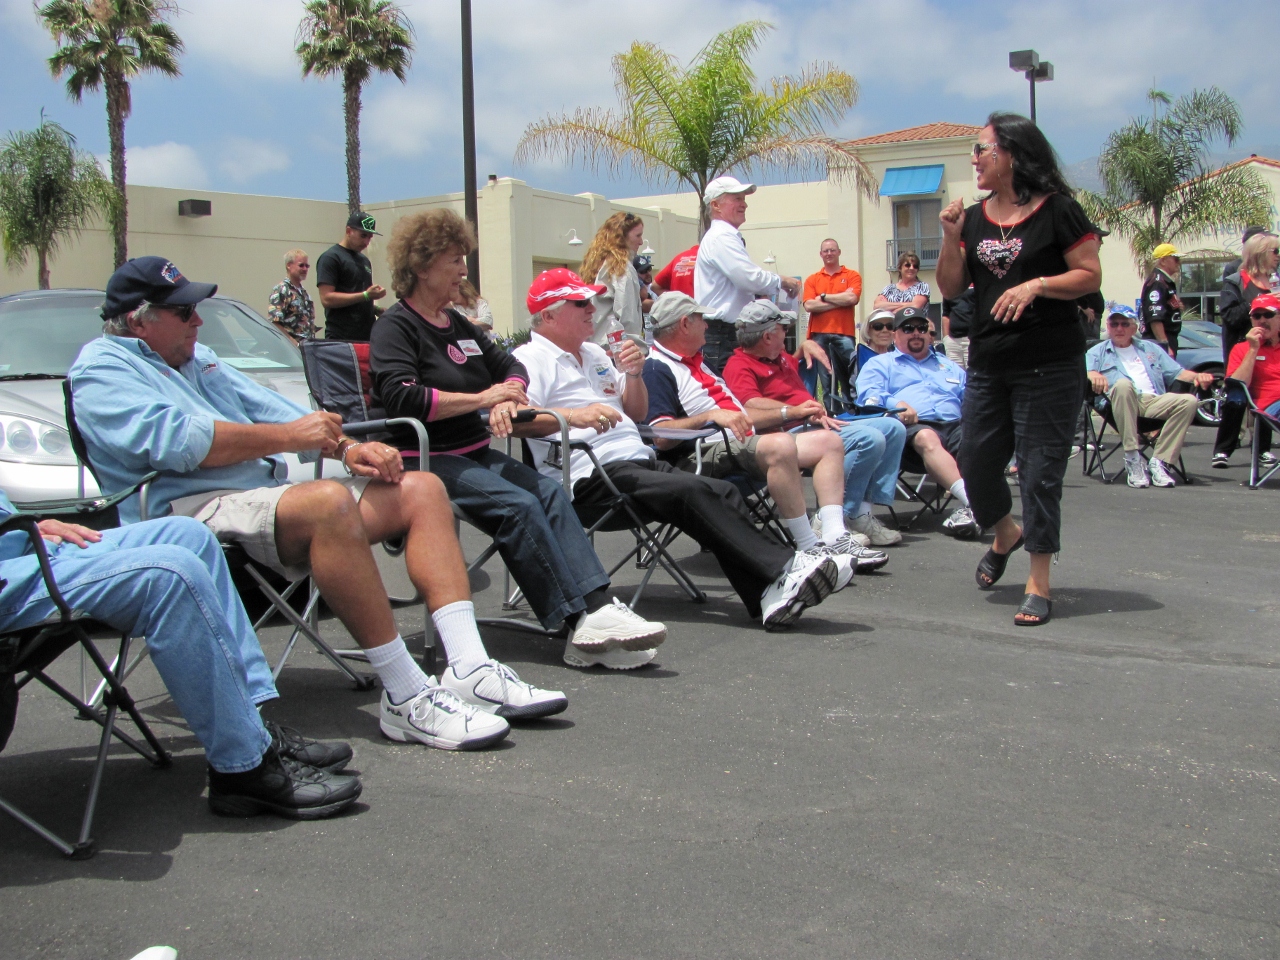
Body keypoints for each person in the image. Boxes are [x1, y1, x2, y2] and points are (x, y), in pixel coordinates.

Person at [70, 256, 563, 752]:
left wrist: (350, 448)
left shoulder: (198, 362)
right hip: (184, 512)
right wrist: (287, 436)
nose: (198, 320)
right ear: (139, 319)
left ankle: (469, 667)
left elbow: (279, 411)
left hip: (257, 499)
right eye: (184, 312)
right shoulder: (103, 368)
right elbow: (178, 443)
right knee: (328, 502)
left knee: (422, 489)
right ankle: (405, 695)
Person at [367, 211, 668, 671]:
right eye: (454, 261)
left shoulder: (457, 324)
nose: (464, 271)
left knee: (547, 491)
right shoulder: (396, 326)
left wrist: (509, 395)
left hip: (474, 451)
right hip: (426, 458)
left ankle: (598, 610)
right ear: (423, 266)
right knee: (517, 506)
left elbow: (511, 367)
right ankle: (577, 623)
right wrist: (481, 397)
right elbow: (400, 397)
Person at [0, 496, 362, 819]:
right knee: (171, 572)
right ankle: (243, 768)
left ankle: (252, 729)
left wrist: (20, 524)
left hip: (18, 545)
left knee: (189, 535)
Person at [514, 277, 841, 630]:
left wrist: (635, 374)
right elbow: (517, 420)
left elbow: (636, 414)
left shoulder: (595, 353)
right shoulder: (529, 359)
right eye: (581, 304)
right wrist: (574, 417)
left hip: (635, 459)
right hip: (587, 474)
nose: (592, 309)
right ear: (548, 315)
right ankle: (785, 569)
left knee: (724, 491)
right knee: (691, 490)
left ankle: (769, 595)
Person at [936, 111, 1102, 627]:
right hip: (990, 364)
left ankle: (1039, 579)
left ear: (1011, 154)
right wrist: (949, 236)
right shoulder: (977, 218)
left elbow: (1089, 274)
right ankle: (1005, 532)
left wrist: (1038, 285)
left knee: (1038, 473)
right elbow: (948, 288)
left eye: (982, 151)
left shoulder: (1059, 211)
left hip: (1049, 365)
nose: (975, 160)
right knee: (975, 463)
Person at [640, 291, 871, 578]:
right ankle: (808, 547)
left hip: (736, 443)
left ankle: (835, 535)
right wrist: (709, 417)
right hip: (699, 456)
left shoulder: (699, 361)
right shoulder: (655, 368)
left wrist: (791, 412)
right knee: (780, 445)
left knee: (829, 441)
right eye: (702, 319)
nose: (707, 326)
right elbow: (660, 435)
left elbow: (742, 414)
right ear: (685, 324)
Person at [724, 300, 906, 548]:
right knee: (869, 440)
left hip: (816, 421)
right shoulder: (739, 365)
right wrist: (795, 411)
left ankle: (861, 512)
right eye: (783, 328)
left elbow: (792, 364)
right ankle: (839, 517)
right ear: (767, 336)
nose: (786, 332)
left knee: (893, 428)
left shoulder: (779, 357)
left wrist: (804, 347)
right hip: (790, 432)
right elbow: (748, 409)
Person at [855, 307, 981, 540]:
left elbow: (973, 396)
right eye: (908, 328)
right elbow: (867, 395)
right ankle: (977, 505)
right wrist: (897, 402)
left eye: (922, 328)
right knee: (927, 437)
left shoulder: (948, 365)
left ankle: (970, 511)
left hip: (956, 425)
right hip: (910, 432)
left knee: (983, 438)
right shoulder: (881, 364)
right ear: (896, 334)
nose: (916, 333)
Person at [1085, 303, 1212, 488]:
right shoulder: (1097, 351)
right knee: (1122, 384)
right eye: (1114, 324)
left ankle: (1160, 462)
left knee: (1189, 401)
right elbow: (1083, 372)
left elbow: (1177, 373)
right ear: (1108, 327)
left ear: (1134, 327)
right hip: (1119, 403)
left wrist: (1198, 376)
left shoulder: (1150, 349)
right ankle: (1133, 458)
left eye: (1125, 324)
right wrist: (1092, 373)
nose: (1119, 328)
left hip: (1153, 401)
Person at [693, 177, 802, 373]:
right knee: (729, 396)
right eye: (736, 198)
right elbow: (748, 279)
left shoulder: (722, 236)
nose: (744, 204)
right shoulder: (722, 237)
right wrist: (781, 281)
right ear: (715, 205)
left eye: (743, 198)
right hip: (722, 335)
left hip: (724, 334)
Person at [1213, 232, 1278, 466]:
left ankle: (1262, 449)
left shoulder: (1276, 281)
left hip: (1272, 349)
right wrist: (1259, 302)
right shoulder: (1236, 281)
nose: (1278, 257)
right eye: (1275, 251)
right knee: (1237, 398)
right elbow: (1229, 316)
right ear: (1260, 253)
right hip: (1243, 348)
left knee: (1268, 393)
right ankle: (1223, 449)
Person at [800, 239, 863, 411]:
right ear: (821, 254)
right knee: (826, 379)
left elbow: (852, 298)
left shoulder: (852, 275)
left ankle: (853, 409)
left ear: (839, 252)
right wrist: (840, 300)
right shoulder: (813, 279)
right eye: (826, 251)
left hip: (844, 333)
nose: (829, 253)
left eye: (832, 250)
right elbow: (809, 305)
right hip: (819, 334)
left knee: (849, 375)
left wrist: (824, 297)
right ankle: (832, 412)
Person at [316, 211, 387, 342]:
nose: (366, 241)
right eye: (363, 235)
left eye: (370, 237)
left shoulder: (364, 261)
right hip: (341, 339)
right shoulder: (331, 258)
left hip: (366, 337)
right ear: (349, 231)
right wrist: (366, 295)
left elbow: (356, 297)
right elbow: (326, 299)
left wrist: (375, 309)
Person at [579, 211, 647, 346]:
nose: (641, 241)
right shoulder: (622, 268)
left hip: (592, 347)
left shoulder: (597, 264)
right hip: (615, 352)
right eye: (638, 236)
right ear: (622, 238)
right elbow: (627, 317)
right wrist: (636, 350)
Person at [1224, 294, 1280, 443]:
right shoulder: (1242, 349)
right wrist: (1253, 349)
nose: (1262, 320)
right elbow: (1238, 384)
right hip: (1269, 408)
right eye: (1256, 316)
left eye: (1268, 315)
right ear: (1251, 321)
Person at [1140, 243, 1184, 357]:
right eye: (1175, 259)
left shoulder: (1165, 282)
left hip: (1169, 338)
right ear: (1163, 261)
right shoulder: (1158, 283)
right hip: (1159, 341)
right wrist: (1164, 345)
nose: (1178, 263)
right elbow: (1155, 317)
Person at [267, 249, 317, 343]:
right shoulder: (281, 290)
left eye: (307, 266)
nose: (305, 269)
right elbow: (275, 323)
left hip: (307, 347)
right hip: (290, 350)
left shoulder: (303, 293)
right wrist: (294, 344)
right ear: (289, 265)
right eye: (301, 265)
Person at [942, 285, 976, 368]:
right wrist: (946, 338)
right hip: (953, 341)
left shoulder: (979, 285)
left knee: (972, 373)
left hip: (972, 339)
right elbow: (946, 314)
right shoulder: (950, 288)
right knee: (954, 375)